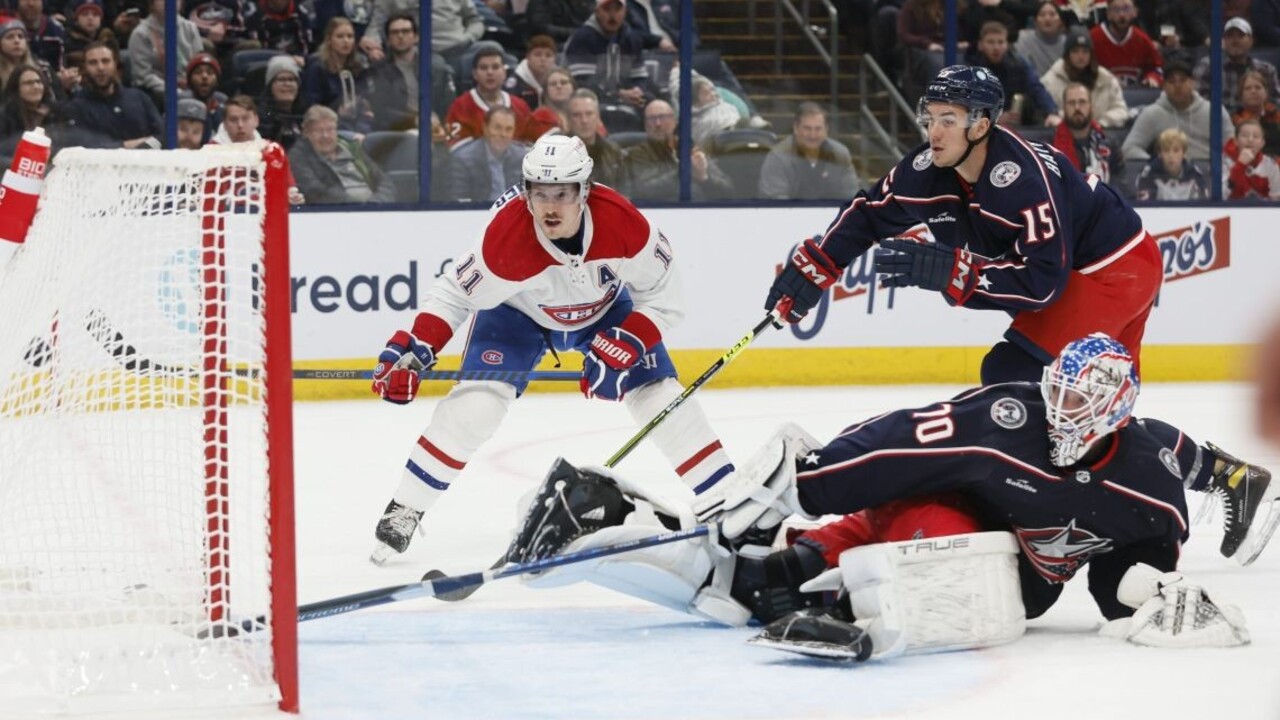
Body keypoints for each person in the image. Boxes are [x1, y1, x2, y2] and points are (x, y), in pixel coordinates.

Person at [511, 334, 1274, 657]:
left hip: (995, 570)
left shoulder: (1152, 485)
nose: (1065, 416)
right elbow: (906, 438)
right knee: (962, 579)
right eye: (1060, 396)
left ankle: (607, 513)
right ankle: (839, 602)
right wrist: (808, 481)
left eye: (1086, 406)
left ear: (1117, 413)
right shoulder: (1007, 418)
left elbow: (1129, 559)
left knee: (744, 593)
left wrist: (1145, 594)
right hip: (938, 524)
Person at [367, 134, 738, 564]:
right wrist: (416, 349)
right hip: (516, 314)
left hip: (604, 311)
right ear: (526, 193)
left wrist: (626, 341)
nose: (549, 207)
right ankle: (406, 508)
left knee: (660, 398)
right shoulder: (504, 238)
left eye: (562, 194)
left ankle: (729, 500)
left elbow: (667, 299)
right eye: (539, 194)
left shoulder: (623, 224)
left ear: (585, 190)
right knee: (476, 407)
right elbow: (455, 293)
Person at [765, 65, 1160, 386]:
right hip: (1082, 266)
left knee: (1014, 374)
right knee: (1104, 405)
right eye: (930, 117)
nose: (933, 132)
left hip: (1113, 268)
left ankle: (1028, 478)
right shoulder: (926, 169)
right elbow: (870, 213)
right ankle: (1207, 467)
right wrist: (818, 266)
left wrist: (955, 272)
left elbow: (1044, 283)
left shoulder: (1023, 181)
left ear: (981, 125)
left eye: (948, 119)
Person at [1122, 58, 1234, 162]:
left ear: (1192, 83)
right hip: (1169, 177)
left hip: (1210, 175)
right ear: (1164, 86)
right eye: (1172, 81)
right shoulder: (1152, 113)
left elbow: (1232, 149)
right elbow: (1129, 149)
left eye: (1182, 80)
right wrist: (1157, 164)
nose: (1177, 86)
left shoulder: (1215, 111)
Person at [58, 41, 161, 149]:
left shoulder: (139, 98)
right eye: (93, 63)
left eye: (106, 61)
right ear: (85, 67)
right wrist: (126, 145)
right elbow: (82, 147)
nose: (100, 68)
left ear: (115, 63)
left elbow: (163, 135)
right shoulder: (75, 107)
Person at [626, 98, 733, 201]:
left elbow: (727, 190)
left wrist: (704, 178)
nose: (658, 124)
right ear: (645, 125)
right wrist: (685, 170)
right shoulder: (639, 153)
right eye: (652, 119)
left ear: (674, 121)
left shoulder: (691, 148)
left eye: (663, 117)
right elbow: (644, 190)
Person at [288, 104, 394, 204]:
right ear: (306, 133)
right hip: (338, 213)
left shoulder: (353, 149)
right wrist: (360, 207)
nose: (325, 136)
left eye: (330, 130)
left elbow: (384, 182)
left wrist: (377, 203)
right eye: (318, 131)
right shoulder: (298, 156)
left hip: (377, 209)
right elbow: (314, 191)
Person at [758, 101, 861, 200]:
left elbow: (851, 196)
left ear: (826, 130)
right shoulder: (778, 157)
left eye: (818, 129)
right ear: (796, 128)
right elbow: (776, 202)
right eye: (807, 128)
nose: (813, 135)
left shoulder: (840, 154)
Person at [966, 21, 1061, 127]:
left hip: (1014, 123)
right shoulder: (970, 69)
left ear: (1007, 45)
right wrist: (993, 118)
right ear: (980, 45)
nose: (996, 47)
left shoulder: (1018, 64)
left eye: (1000, 42)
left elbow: (1036, 87)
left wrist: (1051, 112)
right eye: (990, 42)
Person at [564, 0, 653, 110]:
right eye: (607, 9)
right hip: (589, 106)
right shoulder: (582, 39)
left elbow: (640, 76)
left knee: (654, 104)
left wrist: (638, 90)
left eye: (617, 9)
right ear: (597, 11)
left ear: (625, 11)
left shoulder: (633, 40)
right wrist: (618, 95)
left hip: (627, 103)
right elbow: (582, 84)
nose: (612, 15)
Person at [445, 44, 533, 149]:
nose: (490, 72)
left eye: (495, 67)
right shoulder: (460, 107)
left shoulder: (521, 107)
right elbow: (455, 150)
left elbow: (529, 147)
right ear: (474, 74)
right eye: (483, 68)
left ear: (504, 73)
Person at [1039, 29, 1129, 128]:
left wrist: (1101, 123)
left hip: (1101, 133)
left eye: (1085, 52)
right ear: (1067, 55)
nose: (1080, 57)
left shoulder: (1107, 80)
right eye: (1075, 51)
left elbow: (1121, 110)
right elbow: (1045, 113)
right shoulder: (1050, 81)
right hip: (1062, 135)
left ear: (1091, 55)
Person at [301, 17, 374, 135]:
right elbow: (311, 105)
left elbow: (365, 97)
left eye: (350, 37)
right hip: (328, 124)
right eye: (340, 37)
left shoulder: (359, 65)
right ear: (329, 39)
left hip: (357, 121)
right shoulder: (317, 67)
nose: (346, 41)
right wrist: (336, 112)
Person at [1193, 18, 1280, 112]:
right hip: (1219, 122)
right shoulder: (1208, 66)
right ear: (1224, 41)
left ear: (1251, 41)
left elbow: (1275, 102)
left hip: (1257, 122)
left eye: (1241, 36)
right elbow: (1198, 103)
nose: (1235, 41)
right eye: (1230, 36)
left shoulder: (1266, 69)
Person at [127, 0, 203, 107]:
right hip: (158, 93)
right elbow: (143, 76)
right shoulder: (140, 34)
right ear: (152, 3)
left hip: (190, 86)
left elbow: (199, 64)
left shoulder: (190, 28)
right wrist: (174, 90)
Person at [448, 105, 528, 202]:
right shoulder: (463, 159)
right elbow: (459, 202)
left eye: (508, 129)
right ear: (485, 128)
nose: (503, 134)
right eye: (497, 128)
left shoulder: (523, 158)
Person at [1051, 82, 1124, 185]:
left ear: (1091, 106)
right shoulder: (1050, 145)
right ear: (1064, 108)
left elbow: (1121, 183)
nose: (1077, 107)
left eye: (1082, 102)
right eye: (1071, 103)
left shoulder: (1110, 143)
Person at [1089, 0, 1162, 87]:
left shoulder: (1142, 40)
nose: (1121, 15)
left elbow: (1157, 68)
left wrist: (1152, 79)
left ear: (1135, 12)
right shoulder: (1093, 38)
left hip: (1136, 96)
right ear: (1108, 14)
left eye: (1126, 8)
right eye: (1116, 9)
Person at [568, 88, 628, 190]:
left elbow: (625, 191)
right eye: (577, 115)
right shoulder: (558, 153)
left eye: (589, 114)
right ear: (569, 119)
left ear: (598, 117)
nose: (584, 120)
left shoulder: (613, 151)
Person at [1133, 127, 1209, 200]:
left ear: (1184, 153)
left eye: (1176, 150)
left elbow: (1203, 200)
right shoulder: (1148, 173)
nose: (1171, 155)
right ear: (1160, 153)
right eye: (1166, 150)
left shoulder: (1193, 173)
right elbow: (1144, 204)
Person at [255, 55, 307, 151]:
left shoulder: (305, 112)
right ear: (270, 85)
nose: (287, 84)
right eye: (281, 79)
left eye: (291, 80)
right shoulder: (264, 113)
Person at [1223, 118, 1280, 200]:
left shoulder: (1270, 165)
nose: (1250, 140)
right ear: (1235, 141)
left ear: (1262, 143)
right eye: (1244, 136)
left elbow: (1276, 199)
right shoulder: (1224, 162)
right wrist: (1240, 165)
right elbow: (1222, 195)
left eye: (1256, 136)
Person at [1233, 69, 1280, 157]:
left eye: (1258, 87)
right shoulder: (1234, 118)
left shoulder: (1277, 114)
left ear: (1266, 92)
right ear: (1241, 95)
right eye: (1248, 88)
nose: (1253, 91)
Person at [180, 52, 225, 143]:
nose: (204, 76)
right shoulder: (179, 106)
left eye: (210, 73)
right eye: (198, 72)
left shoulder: (223, 106)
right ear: (189, 79)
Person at [1015, 1, 1068, 78]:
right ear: (1035, 21)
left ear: (1061, 21)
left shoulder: (1067, 43)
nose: (1047, 19)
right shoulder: (1024, 39)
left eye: (1052, 14)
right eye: (1042, 15)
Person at [505, 33, 558, 110]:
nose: (543, 59)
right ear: (528, 57)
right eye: (538, 55)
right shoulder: (515, 83)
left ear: (555, 59)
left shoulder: (560, 80)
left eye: (548, 55)